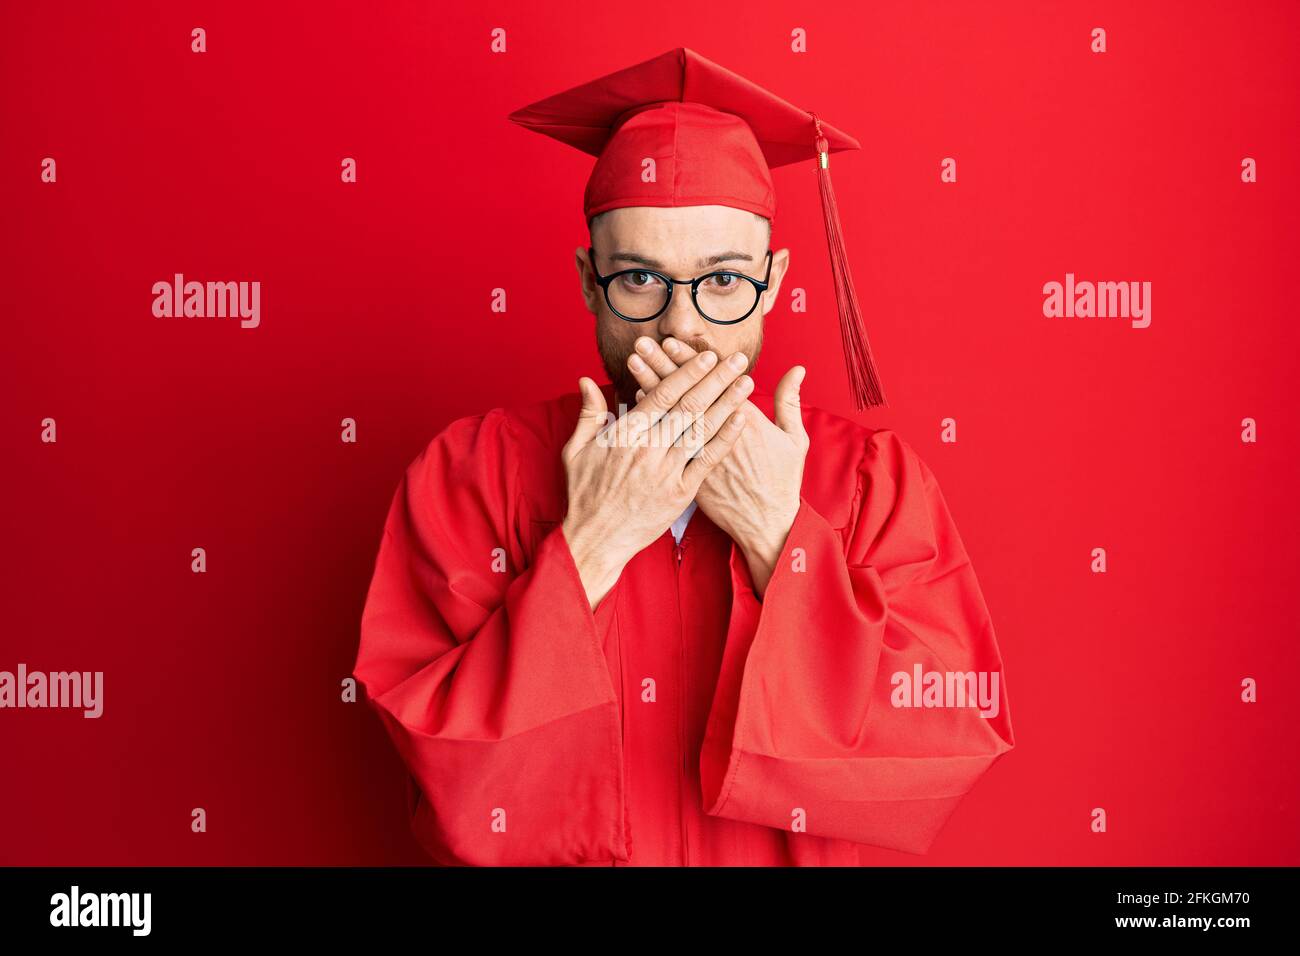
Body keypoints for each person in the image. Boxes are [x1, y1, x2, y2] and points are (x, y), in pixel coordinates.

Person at [352, 47, 1014, 866]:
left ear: (773, 283)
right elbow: (451, 780)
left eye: (724, 282)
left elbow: (941, 750)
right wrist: (592, 541)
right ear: (589, 282)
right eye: (639, 279)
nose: (683, 329)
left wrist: (780, 539)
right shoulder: (475, 472)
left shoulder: (870, 480)